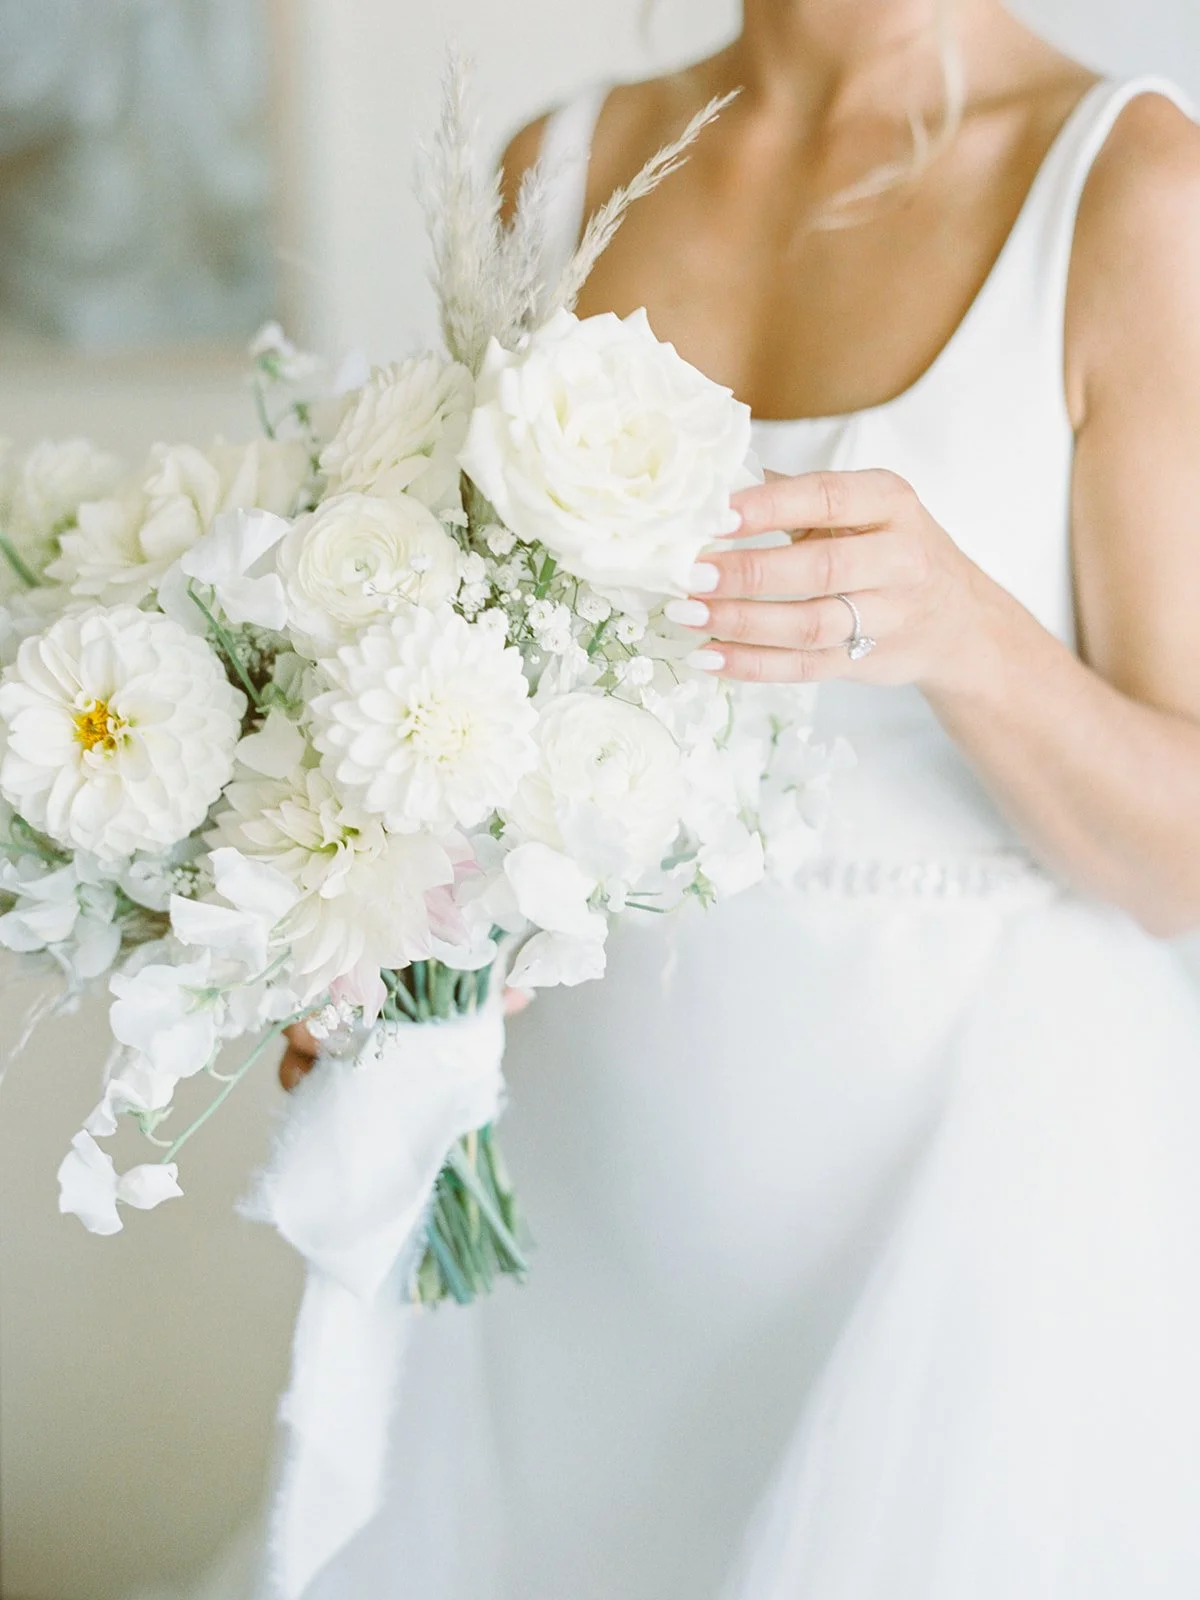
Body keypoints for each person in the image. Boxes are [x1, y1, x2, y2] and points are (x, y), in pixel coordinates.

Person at [280, 2, 1200, 1594]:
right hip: (584, 1196)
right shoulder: (553, 167)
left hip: (962, 1204)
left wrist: (967, 636)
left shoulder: (1129, 189)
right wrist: (381, 937)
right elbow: (473, 689)